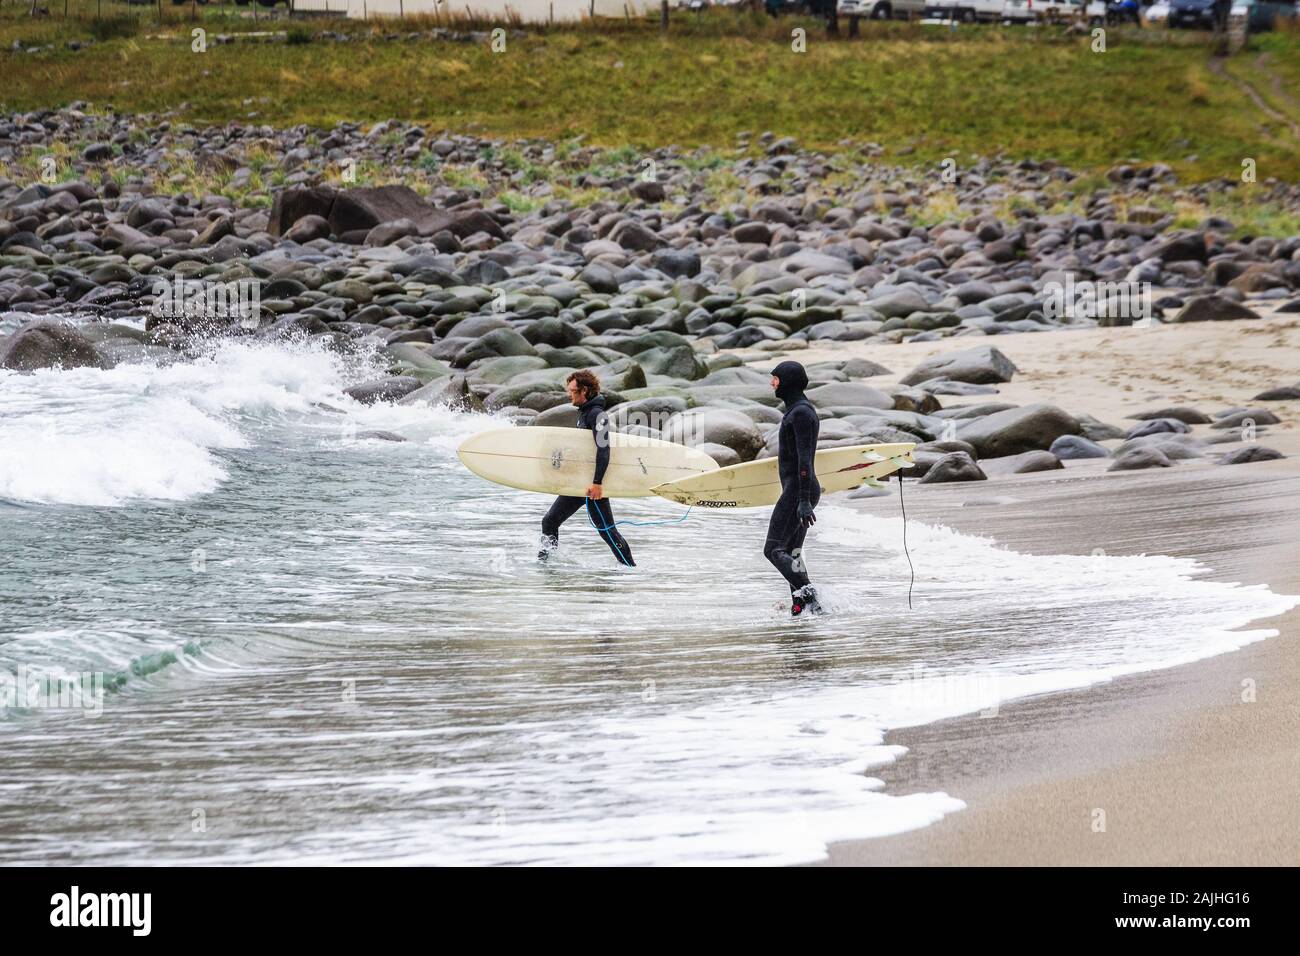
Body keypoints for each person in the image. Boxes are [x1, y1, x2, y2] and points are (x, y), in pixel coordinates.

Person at [538, 370, 636, 567]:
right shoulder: (584, 413)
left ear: (584, 390)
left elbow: (604, 449)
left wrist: (597, 483)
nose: (569, 395)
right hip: (579, 483)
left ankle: (630, 568)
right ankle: (546, 565)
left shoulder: (597, 415)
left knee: (607, 531)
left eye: (573, 391)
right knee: (549, 521)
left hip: (592, 485)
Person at [764, 361, 822, 616]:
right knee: (791, 552)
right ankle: (801, 605)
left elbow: (805, 459)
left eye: (775, 379)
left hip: (799, 491)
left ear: (786, 382)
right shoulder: (797, 411)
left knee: (773, 550)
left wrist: (803, 499)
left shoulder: (801, 414)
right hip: (800, 490)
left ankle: (811, 596)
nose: (772, 383)